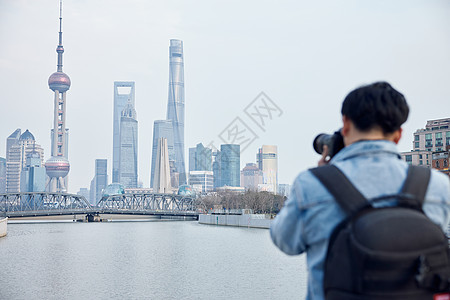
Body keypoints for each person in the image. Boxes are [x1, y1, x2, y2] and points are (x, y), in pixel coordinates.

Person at [270, 82, 450, 300]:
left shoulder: (311, 184)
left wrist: (325, 175)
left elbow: (285, 242)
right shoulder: (437, 185)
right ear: (398, 134)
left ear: (345, 124)